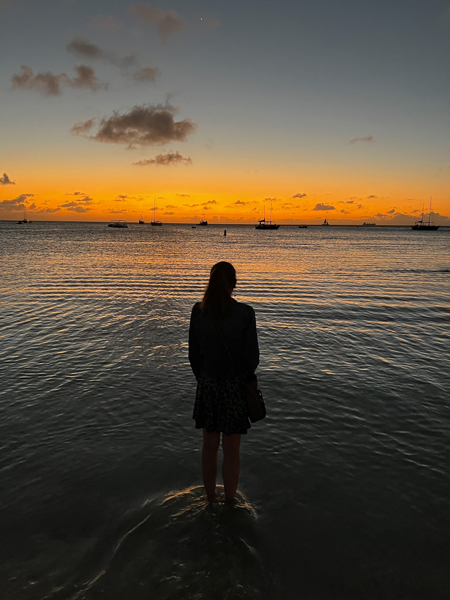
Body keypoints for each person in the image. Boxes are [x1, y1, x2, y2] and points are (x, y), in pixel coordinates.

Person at [189, 262, 259, 503]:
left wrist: (206, 378)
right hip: (234, 387)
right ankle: (230, 502)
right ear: (234, 284)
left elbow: (193, 355)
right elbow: (252, 359)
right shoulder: (245, 314)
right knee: (231, 450)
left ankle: (210, 499)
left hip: (208, 384)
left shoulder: (198, 312)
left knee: (209, 446)